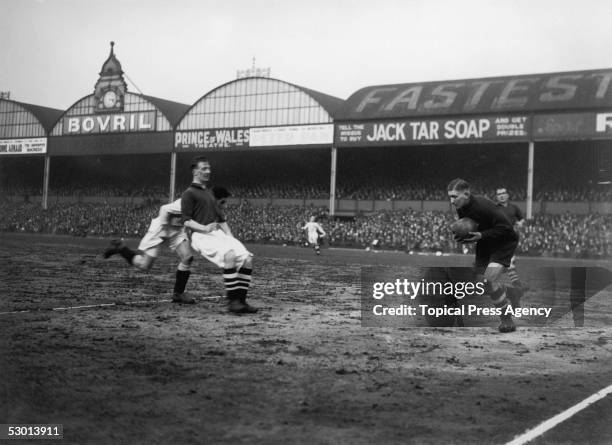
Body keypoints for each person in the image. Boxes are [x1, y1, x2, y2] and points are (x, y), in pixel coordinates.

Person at [181, 156, 258, 314]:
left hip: (216, 234)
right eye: (204, 168)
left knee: (247, 259)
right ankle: (233, 302)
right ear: (195, 172)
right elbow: (186, 221)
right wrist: (204, 228)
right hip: (200, 235)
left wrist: (230, 237)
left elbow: (222, 220)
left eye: (209, 168)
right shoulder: (188, 194)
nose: (208, 171)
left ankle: (242, 301)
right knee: (229, 256)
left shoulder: (209, 195)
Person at [447, 178, 519, 333]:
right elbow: (471, 227)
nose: (451, 201)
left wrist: (480, 235)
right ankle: (511, 291)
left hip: (503, 242)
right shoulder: (461, 208)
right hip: (486, 242)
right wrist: (464, 237)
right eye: (450, 197)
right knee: (481, 280)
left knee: (489, 280)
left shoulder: (483, 206)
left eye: (454, 196)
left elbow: (507, 229)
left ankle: (507, 320)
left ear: (466, 194)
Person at [103, 198, 196, 304]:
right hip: (161, 229)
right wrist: (165, 228)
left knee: (187, 257)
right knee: (144, 265)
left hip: (177, 231)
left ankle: (178, 294)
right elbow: (164, 209)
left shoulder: (205, 205)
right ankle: (121, 249)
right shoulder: (189, 201)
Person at [495, 187, 525, 292]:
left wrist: (520, 223)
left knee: (509, 262)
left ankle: (516, 285)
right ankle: (516, 285)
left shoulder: (514, 208)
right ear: (497, 197)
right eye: (499, 194)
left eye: (503, 193)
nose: (502, 195)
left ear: (507, 195)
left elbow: (522, 218)